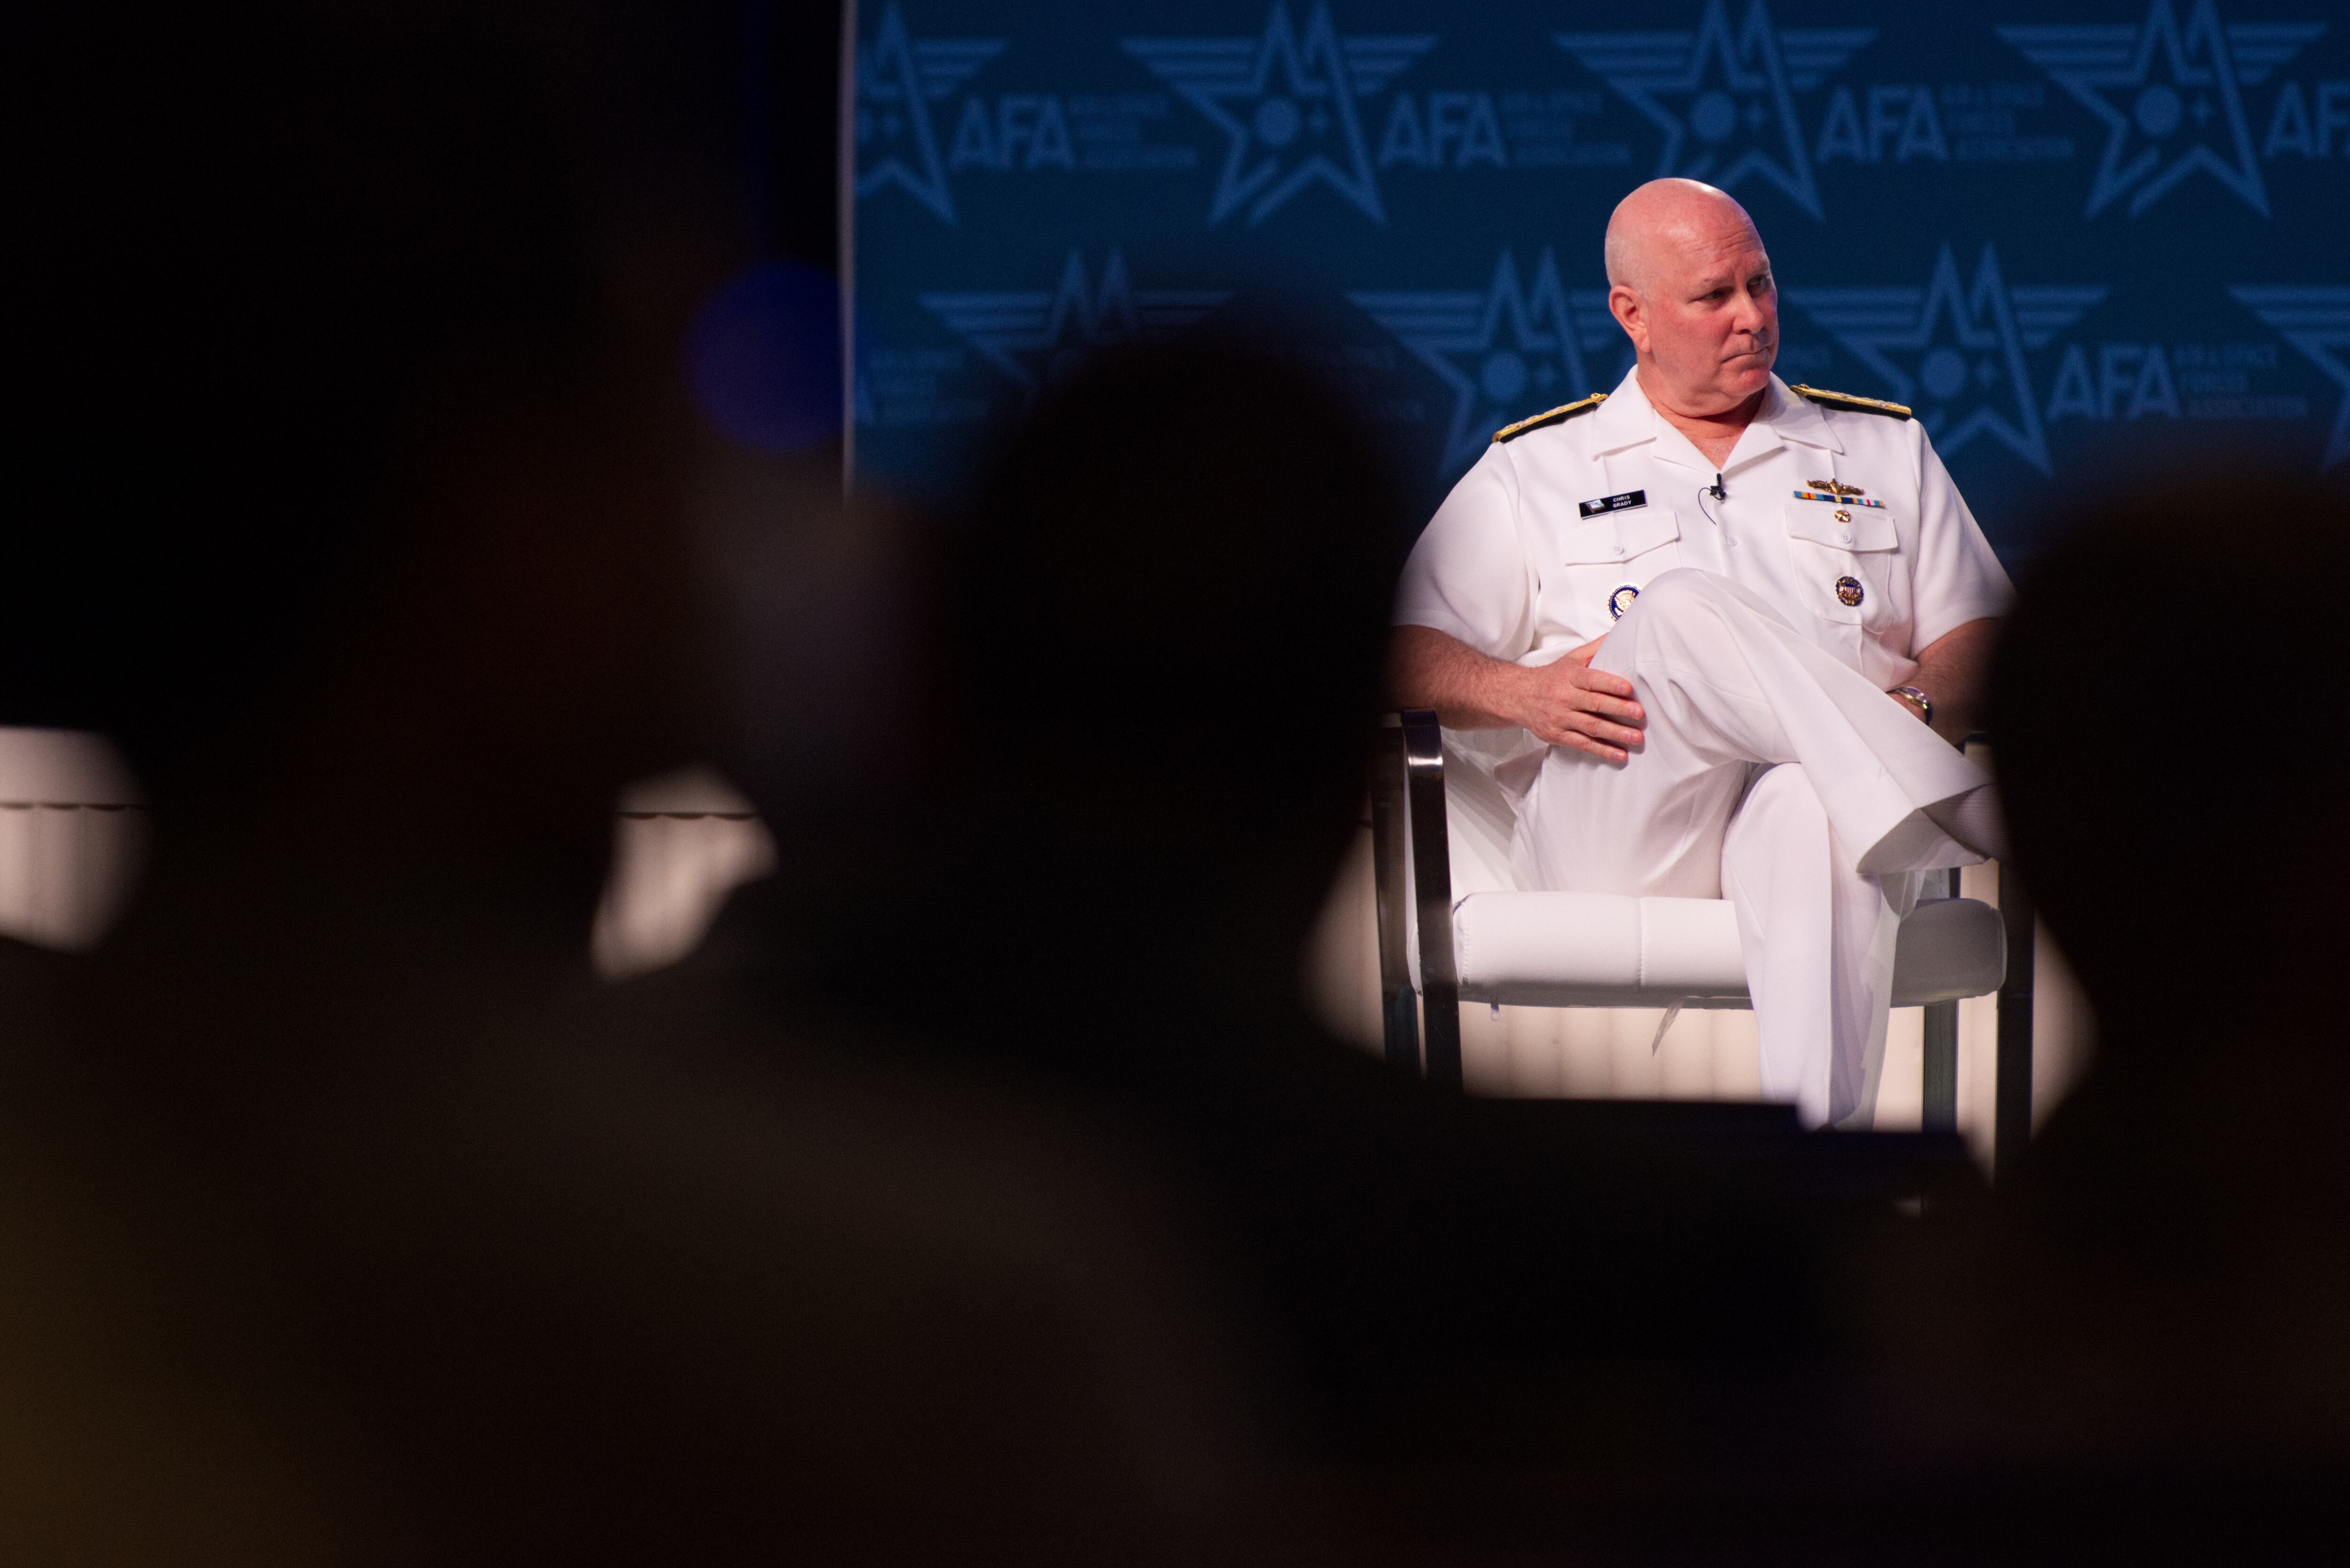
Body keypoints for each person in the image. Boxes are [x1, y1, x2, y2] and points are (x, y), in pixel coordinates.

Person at [1388, 177, 2011, 1127]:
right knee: (1677, 613)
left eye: (1761, 286)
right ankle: (1937, 795)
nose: (1752, 318)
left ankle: (1818, 1171)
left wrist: (1915, 709)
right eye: (1713, 297)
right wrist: (1518, 691)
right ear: (1631, 315)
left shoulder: (1879, 449)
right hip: (1615, 831)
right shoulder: (1537, 468)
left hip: (1835, 833)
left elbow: (1982, 637)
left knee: (1814, 797)